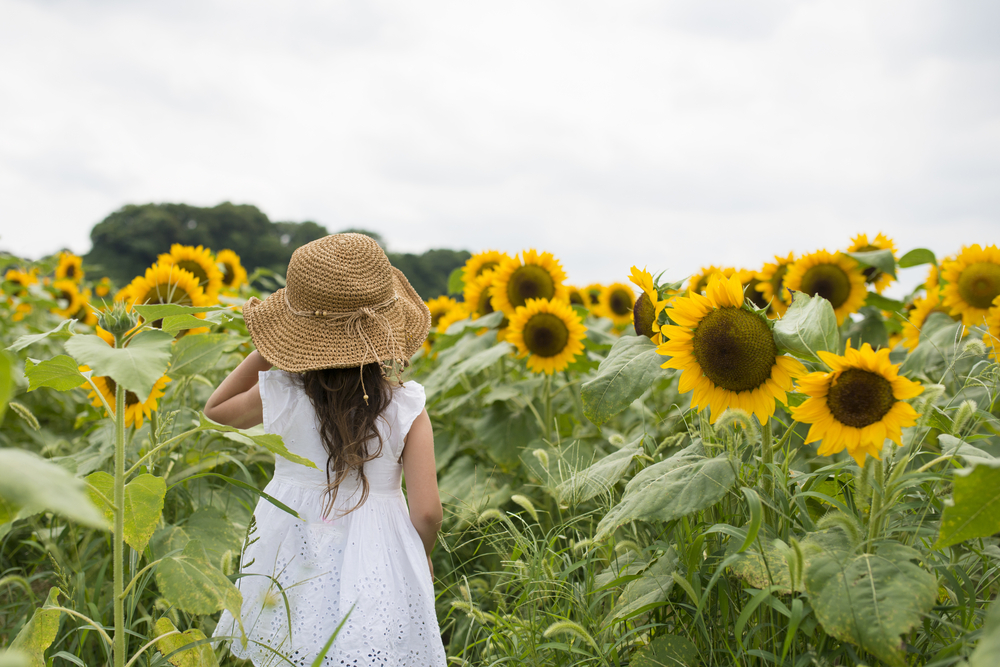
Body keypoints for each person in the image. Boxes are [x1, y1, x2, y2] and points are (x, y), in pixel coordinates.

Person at [205, 233, 448, 666]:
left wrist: (270, 347)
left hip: (291, 543)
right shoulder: (407, 406)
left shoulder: (281, 394)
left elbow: (216, 411)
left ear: (297, 333)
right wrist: (421, 554)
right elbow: (427, 511)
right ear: (387, 325)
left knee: (289, 644)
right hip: (382, 552)